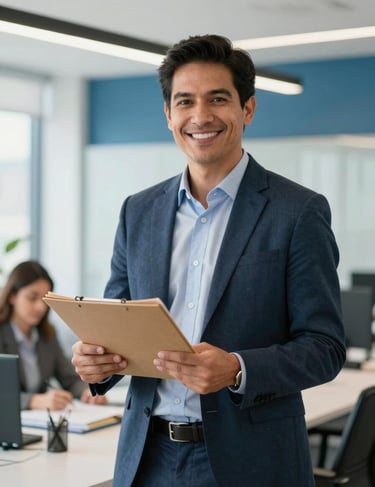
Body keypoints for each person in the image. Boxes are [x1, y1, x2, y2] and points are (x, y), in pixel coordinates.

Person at [71, 34, 346, 487]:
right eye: (185, 102)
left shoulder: (297, 211)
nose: (200, 116)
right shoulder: (137, 211)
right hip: (147, 457)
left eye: (217, 99)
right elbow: (116, 323)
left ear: (248, 109)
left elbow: (325, 346)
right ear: (168, 115)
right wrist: (96, 363)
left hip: (251, 461)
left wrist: (237, 368)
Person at [0, 260, 107, 410]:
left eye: (44, 299)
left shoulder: (47, 335)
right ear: (12, 296)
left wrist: (87, 392)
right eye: (32, 297)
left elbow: (69, 379)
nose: (40, 307)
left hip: (40, 422)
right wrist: (34, 401)